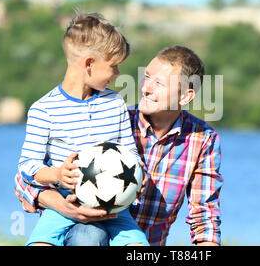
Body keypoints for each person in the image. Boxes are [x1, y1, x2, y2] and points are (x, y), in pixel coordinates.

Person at [15, 45, 223, 246]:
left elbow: (204, 214)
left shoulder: (203, 139)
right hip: (88, 230)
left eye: (159, 83)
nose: (146, 88)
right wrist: (66, 208)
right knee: (88, 235)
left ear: (185, 96)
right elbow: (23, 180)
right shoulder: (113, 117)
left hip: (142, 243)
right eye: (147, 77)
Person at [16, 12, 149, 246]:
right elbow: (28, 166)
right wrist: (57, 174)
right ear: (89, 63)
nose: (117, 73)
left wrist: (138, 173)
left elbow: (130, 152)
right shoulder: (43, 109)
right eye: (114, 66)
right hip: (64, 204)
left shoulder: (115, 103)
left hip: (115, 207)